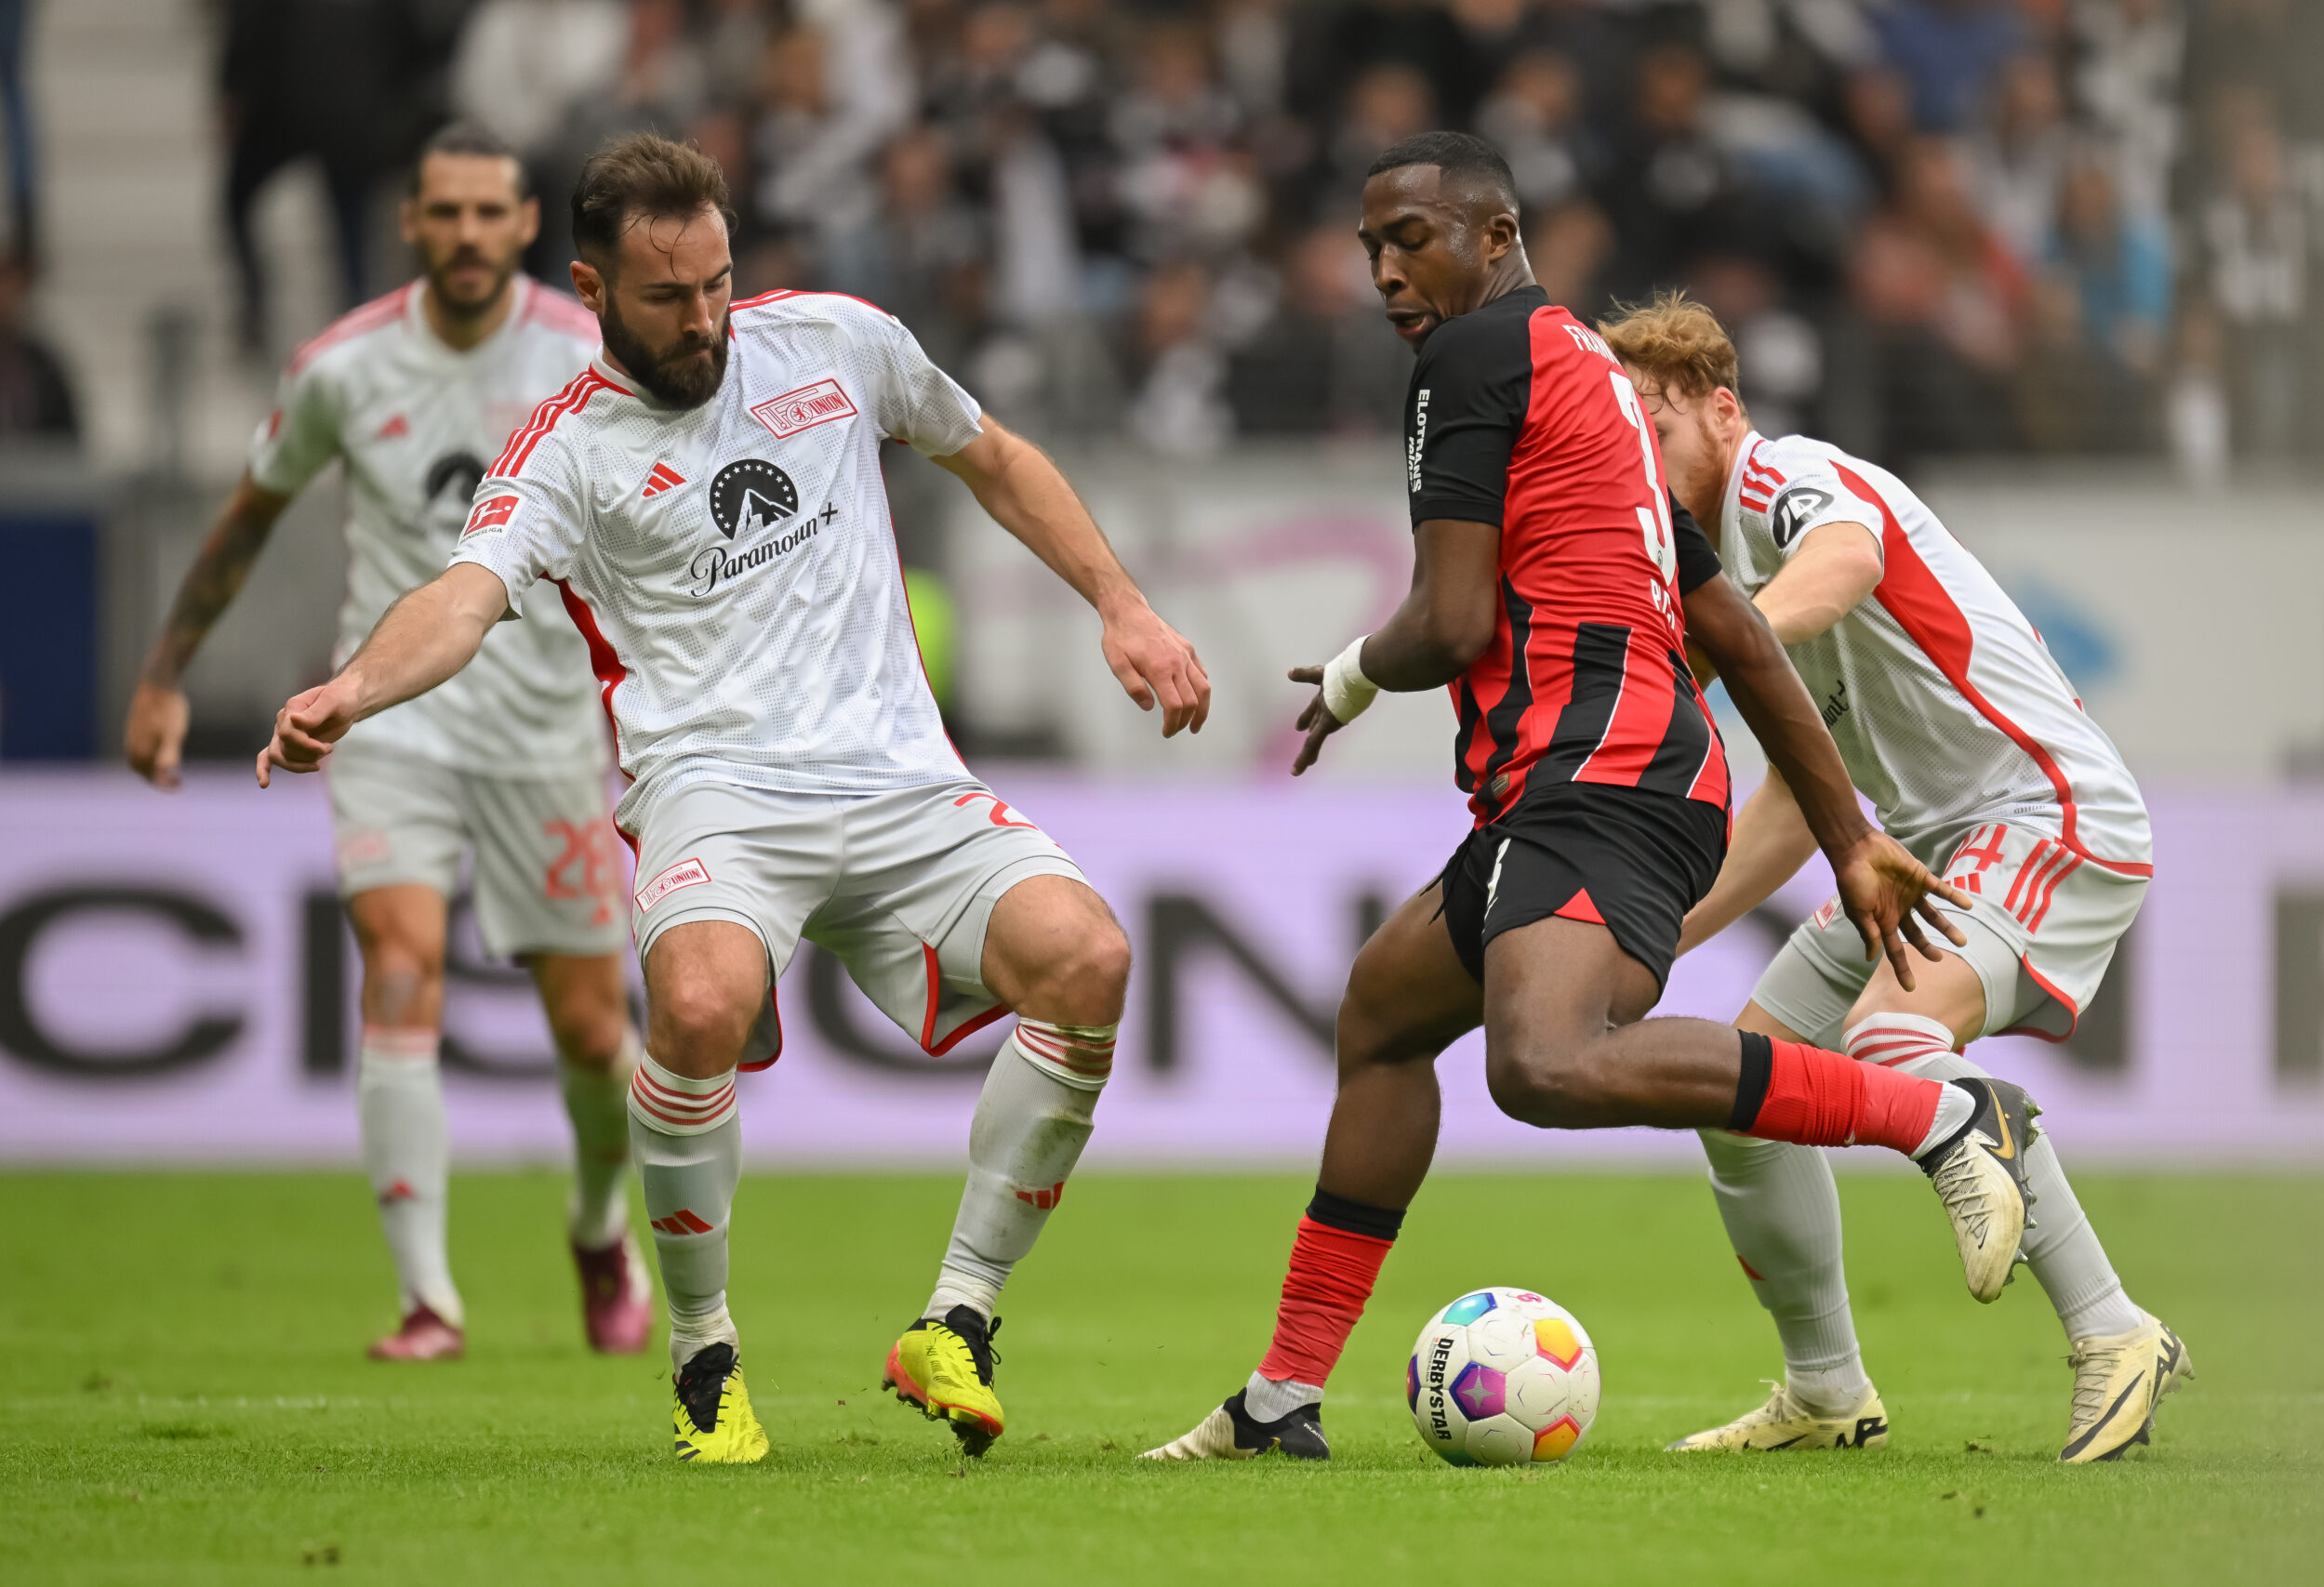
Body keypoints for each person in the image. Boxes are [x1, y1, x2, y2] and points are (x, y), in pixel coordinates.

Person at [257, 133, 1210, 1465]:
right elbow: (462, 601)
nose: (703, 316)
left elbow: (991, 455)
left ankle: (958, 1315)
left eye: (714, 281)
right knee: (699, 1003)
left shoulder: (836, 338)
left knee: (1091, 958)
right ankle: (704, 1347)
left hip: (897, 776)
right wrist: (354, 685)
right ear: (591, 286)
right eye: (667, 296)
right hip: (717, 787)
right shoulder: (567, 450)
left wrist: (1123, 603)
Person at [1145, 133, 2025, 1464]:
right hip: (1583, 783)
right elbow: (1728, 623)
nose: (1385, 269)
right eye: (1371, 242)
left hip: (1602, 778)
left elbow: (1447, 621)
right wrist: (1849, 835)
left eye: (1413, 238)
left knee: (1546, 1063)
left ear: (1496, 237)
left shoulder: (1473, 358)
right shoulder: (1587, 382)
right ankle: (1281, 1397)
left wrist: (1343, 676)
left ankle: (1939, 1113)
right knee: (1383, 1018)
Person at [1602, 292, 2187, 1464]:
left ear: (1723, 409)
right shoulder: (1722, 572)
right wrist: (1656, 939)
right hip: (1920, 848)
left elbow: (1851, 558)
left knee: (1890, 1041)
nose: (1646, 460)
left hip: (2042, 815)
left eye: (1656, 428)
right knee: (1738, 1090)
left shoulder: (1787, 479)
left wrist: (1708, 651)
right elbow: (1788, 808)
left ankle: (2114, 1331)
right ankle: (1825, 1389)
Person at [126, 125, 650, 1364]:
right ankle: (430, 1299)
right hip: (385, 718)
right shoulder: (342, 368)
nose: (466, 234)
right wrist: (163, 673)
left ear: (527, 227)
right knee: (400, 969)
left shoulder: (591, 355)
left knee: (590, 1031)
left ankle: (596, 1226)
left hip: (544, 727)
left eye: (489, 213)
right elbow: (247, 519)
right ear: (409, 225)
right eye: (444, 213)